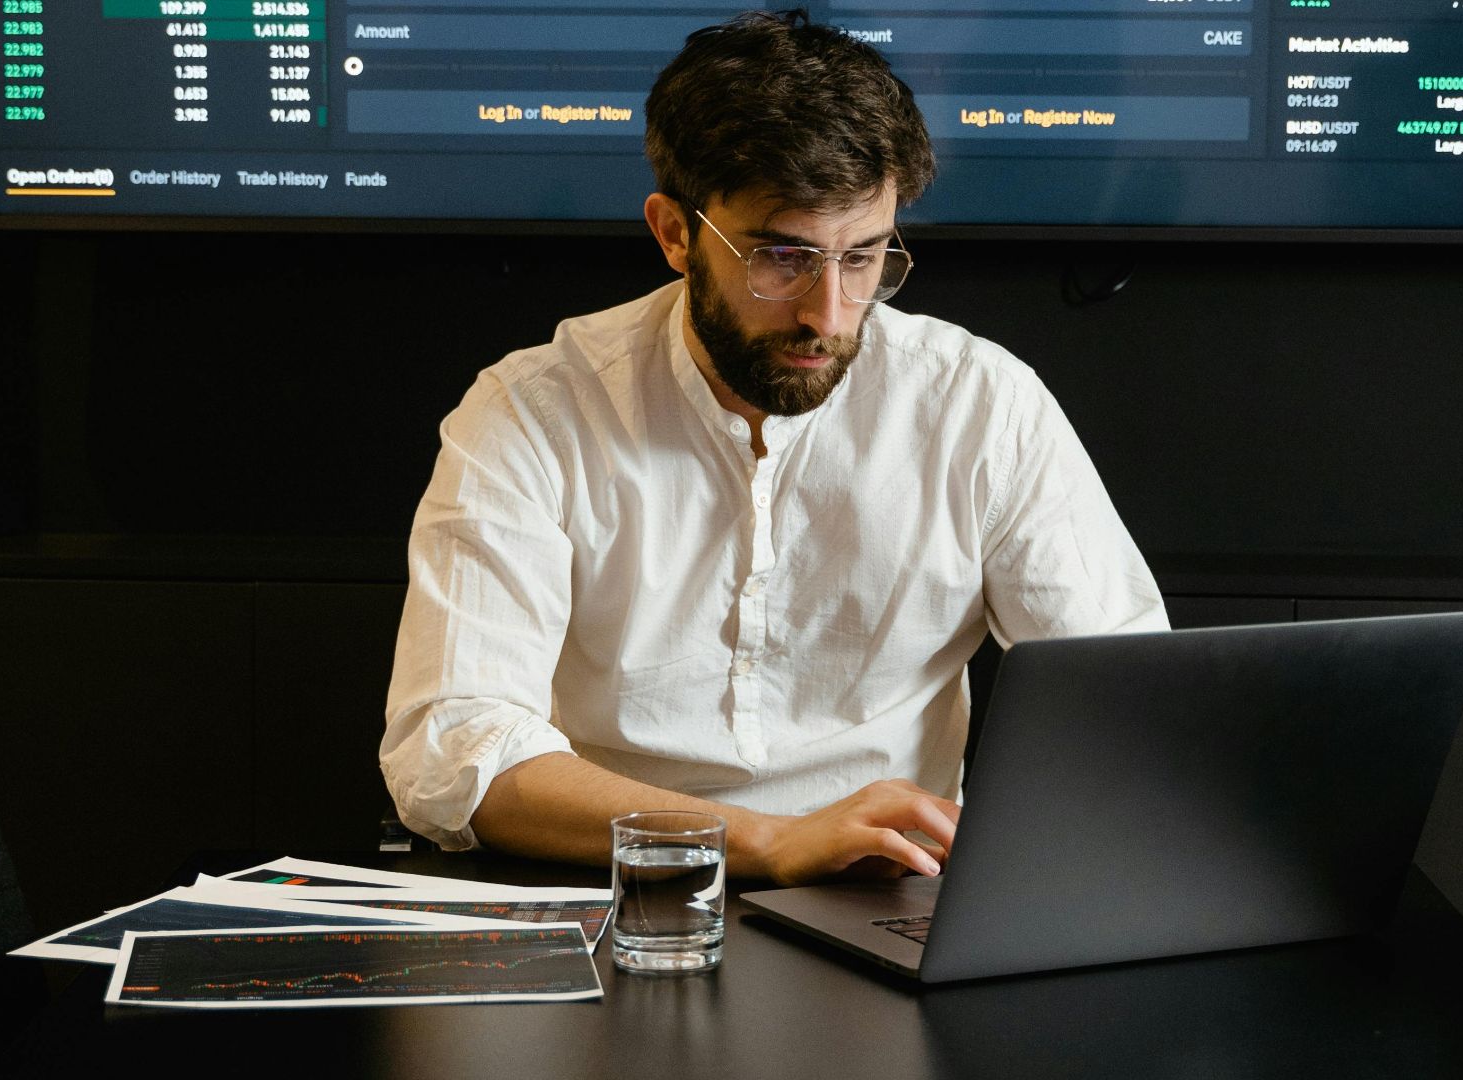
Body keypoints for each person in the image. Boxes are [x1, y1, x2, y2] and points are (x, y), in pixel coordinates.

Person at [381, 10, 1166, 884]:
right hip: (614, 896)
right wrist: (766, 840)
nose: (828, 316)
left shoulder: (981, 403)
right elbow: (450, 751)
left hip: (897, 898)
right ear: (675, 234)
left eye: (865, 258)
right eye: (782, 259)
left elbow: (1126, 707)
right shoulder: (532, 411)